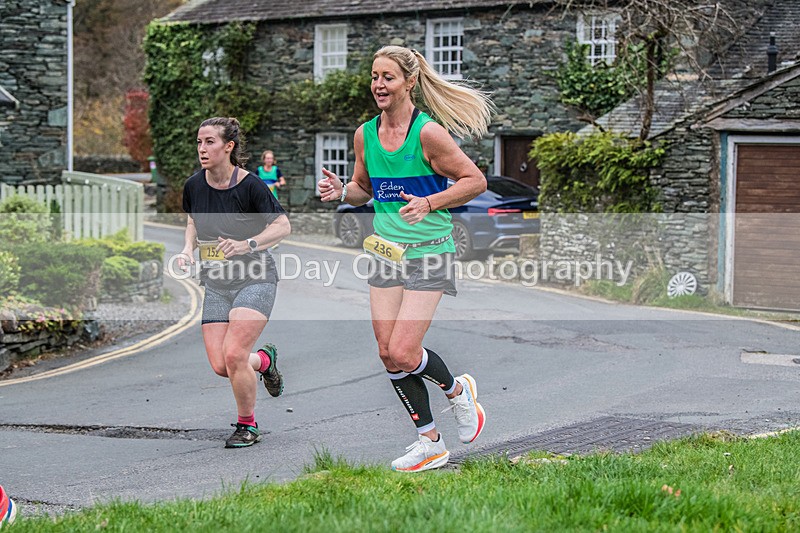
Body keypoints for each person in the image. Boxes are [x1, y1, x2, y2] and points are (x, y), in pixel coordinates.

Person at [318, 45, 494, 472]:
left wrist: (430, 203)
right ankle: (430, 442)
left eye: (388, 77)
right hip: (386, 251)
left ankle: (457, 392)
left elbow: (475, 180)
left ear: (409, 82)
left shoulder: (428, 134)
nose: (379, 84)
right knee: (387, 352)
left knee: (404, 348)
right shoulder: (365, 134)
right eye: (375, 76)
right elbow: (364, 187)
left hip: (430, 252)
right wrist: (342, 191)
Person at [178, 117, 291, 448]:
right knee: (221, 364)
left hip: (255, 277)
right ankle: (265, 361)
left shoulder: (251, 185)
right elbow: (192, 221)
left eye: (210, 142)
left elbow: (282, 226)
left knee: (234, 353)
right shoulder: (194, 186)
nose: (202, 148)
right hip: (216, 281)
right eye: (199, 142)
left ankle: (248, 425)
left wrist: (247, 244)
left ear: (228, 147)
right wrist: (187, 249)